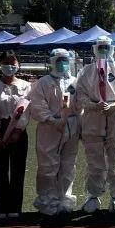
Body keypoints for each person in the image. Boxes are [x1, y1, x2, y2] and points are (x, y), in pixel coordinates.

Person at [74, 35, 115, 213]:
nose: (104, 50)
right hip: (93, 120)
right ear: (95, 50)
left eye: (107, 47)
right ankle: (92, 196)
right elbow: (80, 95)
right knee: (94, 161)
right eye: (100, 47)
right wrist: (94, 105)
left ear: (112, 49)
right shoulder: (86, 71)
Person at [28, 48, 81, 216]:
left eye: (65, 60)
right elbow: (37, 106)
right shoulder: (43, 82)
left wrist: (78, 124)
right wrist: (52, 120)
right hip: (49, 128)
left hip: (71, 126)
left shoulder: (75, 82)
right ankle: (48, 201)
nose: (62, 64)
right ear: (52, 62)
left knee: (68, 165)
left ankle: (64, 199)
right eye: (59, 60)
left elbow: (80, 105)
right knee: (48, 166)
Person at [0, 50, 32, 219]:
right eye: (6, 63)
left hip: (19, 131)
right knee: (1, 172)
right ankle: (1, 208)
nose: (10, 66)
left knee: (18, 171)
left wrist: (18, 131)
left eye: (13, 63)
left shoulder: (26, 86)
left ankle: (15, 207)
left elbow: (26, 111)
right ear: (0, 64)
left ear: (19, 65)